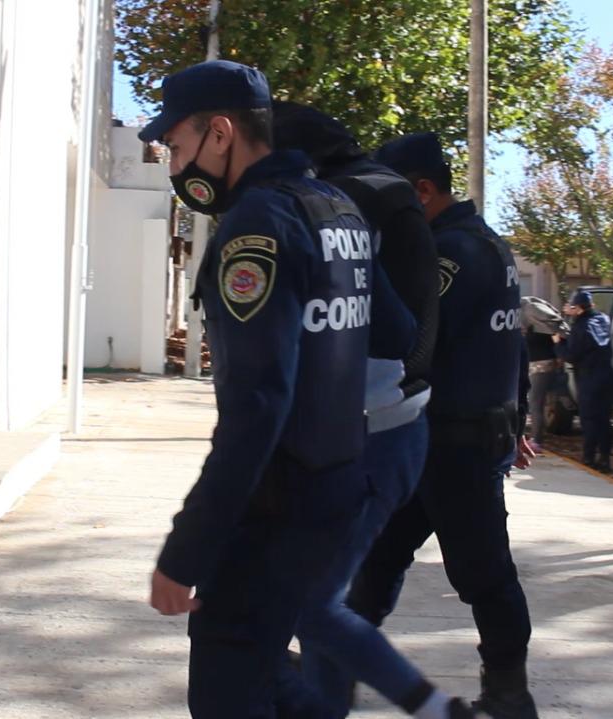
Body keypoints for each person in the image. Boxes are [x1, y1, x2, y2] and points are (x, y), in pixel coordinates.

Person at [140, 60, 398, 718]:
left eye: (176, 145)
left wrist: (185, 551)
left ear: (219, 133)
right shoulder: (336, 208)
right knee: (262, 670)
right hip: (339, 485)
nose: (174, 165)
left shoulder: (257, 227)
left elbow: (256, 408)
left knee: (226, 685)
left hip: (278, 504)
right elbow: (396, 330)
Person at [271, 103, 481, 719]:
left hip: (368, 432)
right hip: (388, 426)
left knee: (310, 605)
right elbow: (398, 328)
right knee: (317, 602)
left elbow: (389, 330)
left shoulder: (333, 210)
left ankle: (436, 709)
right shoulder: (370, 201)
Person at [347, 132, 539, 719]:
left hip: (454, 445)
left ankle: (509, 695)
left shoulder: (448, 254)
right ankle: (337, 663)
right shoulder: (487, 244)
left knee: (484, 574)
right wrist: (520, 418)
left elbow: (410, 342)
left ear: (423, 191)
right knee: (377, 556)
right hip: (440, 438)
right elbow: (514, 346)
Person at [554, 290, 613, 473]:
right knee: (604, 419)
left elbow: (571, 355)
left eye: (572, 307)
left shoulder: (581, 327)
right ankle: (605, 458)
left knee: (589, 419)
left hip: (589, 377)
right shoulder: (603, 319)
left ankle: (589, 457)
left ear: (579, 309)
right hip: (607, 375)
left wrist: (558, 343)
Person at [520, 297, 568, 449]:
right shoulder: (544, 327)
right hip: (540, 366)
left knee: (536, 403)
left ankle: (537, 440)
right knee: (536, 402)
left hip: (540, 367)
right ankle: (535, 438)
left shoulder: (543, 328)